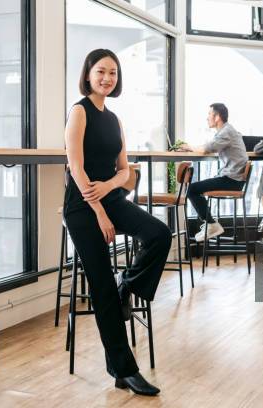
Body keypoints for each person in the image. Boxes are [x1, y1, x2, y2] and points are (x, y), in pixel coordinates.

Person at [63, 49, 171, 396]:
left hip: (109, 196)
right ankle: (124, 370)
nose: (107, 78)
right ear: (88, 74)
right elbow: (75, 167)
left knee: (159, 233)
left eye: (112, 72)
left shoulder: (114, 119)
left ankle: (130, 284)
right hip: (82, 208)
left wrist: (110, 187)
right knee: (102, 288)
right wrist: (98, 211)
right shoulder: (79, 112)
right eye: (101, 71)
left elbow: (124, 170)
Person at [180, 103, 248, 241]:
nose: (207, 118)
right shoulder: (226, 131)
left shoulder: (226, 132)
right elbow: (208, 146)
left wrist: (188, 147)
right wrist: (192, 148)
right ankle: (210, 223)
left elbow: (206, 149)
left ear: (217, 117)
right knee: (194, 189)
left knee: (192, 189)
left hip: (232, 180)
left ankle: (211, 224)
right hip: (233, 178)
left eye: (209, 114)